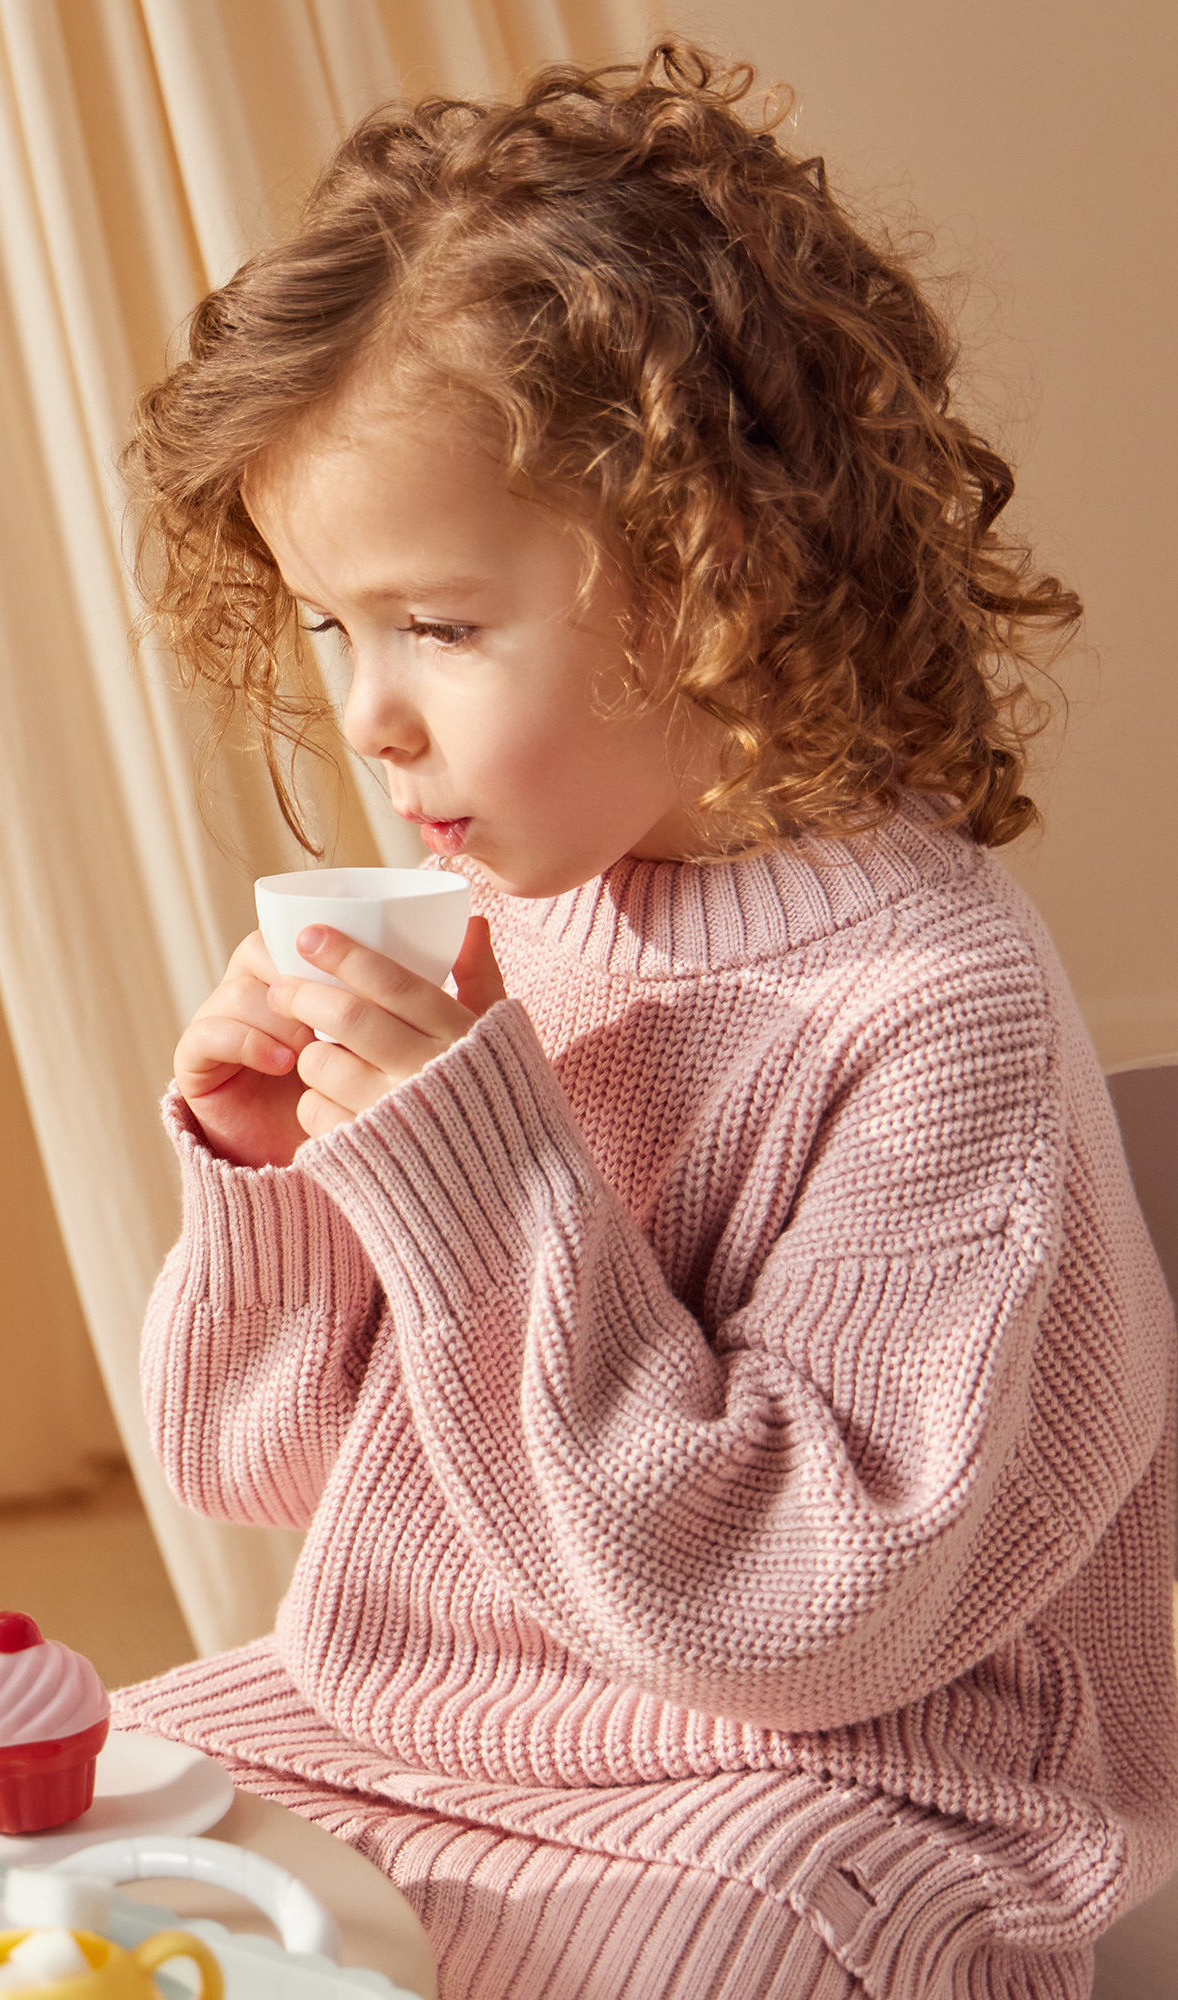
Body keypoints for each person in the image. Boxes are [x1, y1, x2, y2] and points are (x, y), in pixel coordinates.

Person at [110, 42, 1178, 2000]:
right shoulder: (525, 909)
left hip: (843, 1780)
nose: (364, 713)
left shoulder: (930, 1010)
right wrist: (277, 1185)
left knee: (676, 1967)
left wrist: (483, 1173)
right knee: (49, 1845)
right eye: (331, 627)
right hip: (413, 1713)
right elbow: (246, 1457)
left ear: (713, 581)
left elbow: (802, 1616)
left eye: (434, 623)